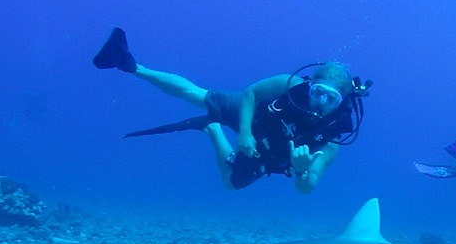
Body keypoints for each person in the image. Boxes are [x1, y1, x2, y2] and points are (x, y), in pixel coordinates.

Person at [93, 27, 371, 193]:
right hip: (258, 116)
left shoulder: (334, 136)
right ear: (310, 85)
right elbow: (251, 93)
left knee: (230, 184)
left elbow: (306, 189)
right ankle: (130, 65)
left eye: (330, 99)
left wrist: (301, 170)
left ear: (342, 101)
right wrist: (245, 133)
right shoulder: (291, 85)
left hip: (271, 149)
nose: (320, 103)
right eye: (318, 93)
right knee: (197, 95)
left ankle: (212, 129)